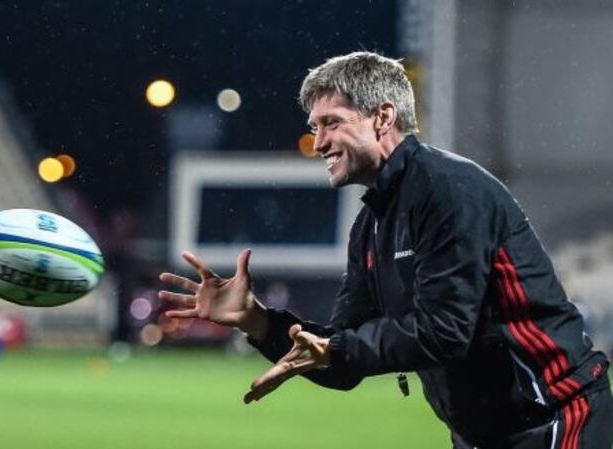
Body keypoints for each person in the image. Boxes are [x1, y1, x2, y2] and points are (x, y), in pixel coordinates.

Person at [159, 52, 612, 449]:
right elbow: (340, 358)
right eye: (315, 128)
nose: (318, 144)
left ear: (383, 117)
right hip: (486, 433)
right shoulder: (371, 225)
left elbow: (444, 332)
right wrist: (258, 321)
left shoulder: (445, 189)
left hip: (556, 417)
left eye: (332, 123)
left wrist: (338, 348)